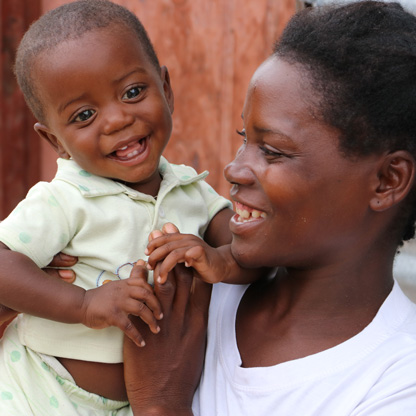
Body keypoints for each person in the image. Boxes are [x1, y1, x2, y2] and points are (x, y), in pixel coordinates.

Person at [120, 1, 416, 415]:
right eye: (245, 137)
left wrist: (160, 403)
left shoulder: (397, 383)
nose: (234, 168)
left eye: (273, 151)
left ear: (387, 180)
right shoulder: (189, 291)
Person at [0, 0, 261, 413]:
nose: (117, 119)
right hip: (39, 390)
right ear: (54, 142)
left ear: (166, 90)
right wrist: (84, 305)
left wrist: (219, 260)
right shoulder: (65, 200)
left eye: (133, 92)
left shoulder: (191, 189)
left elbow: (252, 248)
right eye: (84, 115)